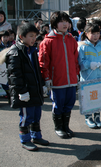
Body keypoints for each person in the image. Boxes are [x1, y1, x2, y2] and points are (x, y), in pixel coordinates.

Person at [4, 23, 49, 151]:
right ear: (21, 36)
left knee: (36, 115)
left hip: (35, 90)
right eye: (31, 36)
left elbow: (37, 70)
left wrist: (42, 85)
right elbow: (15, 76)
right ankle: (25, 140)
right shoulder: (15, 52)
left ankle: (36, 136)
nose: (34, 39)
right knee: (26, 117)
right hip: (24, 93)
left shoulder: (32, 50)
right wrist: (22, 91)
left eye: (35, 36)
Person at [39, 11, 79, 139]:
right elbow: (44, 62)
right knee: (58, 104)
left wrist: (76, 74)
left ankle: (66, 126)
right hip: (57, 80)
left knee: (70, 102)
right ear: (55, 24)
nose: (65, 24)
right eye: (61, 21)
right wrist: (46, 78)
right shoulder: (47, 41)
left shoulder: (72, 40)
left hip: (71, 79)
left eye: (67, 21)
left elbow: (75, 59)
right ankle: (58, 127)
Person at [78, 23, 101, 128]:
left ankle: (97, 117)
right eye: (93, 33)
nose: (96, 36)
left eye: (97, 33)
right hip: (88, 78)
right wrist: (88, 65)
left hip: (100, 77)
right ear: (86, 33)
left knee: (98, 99)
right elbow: (79, 62)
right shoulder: (83, 47)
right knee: (88, 98)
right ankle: (88, 117)